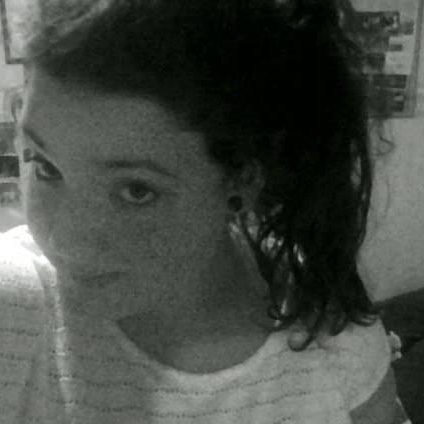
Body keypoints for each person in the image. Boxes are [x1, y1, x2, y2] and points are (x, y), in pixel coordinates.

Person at [0, 0, 411, 423]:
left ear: (242, 179)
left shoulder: (334, 340)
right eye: (46, 166)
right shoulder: (14, 310)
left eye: (136, 191)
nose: (65, 241)